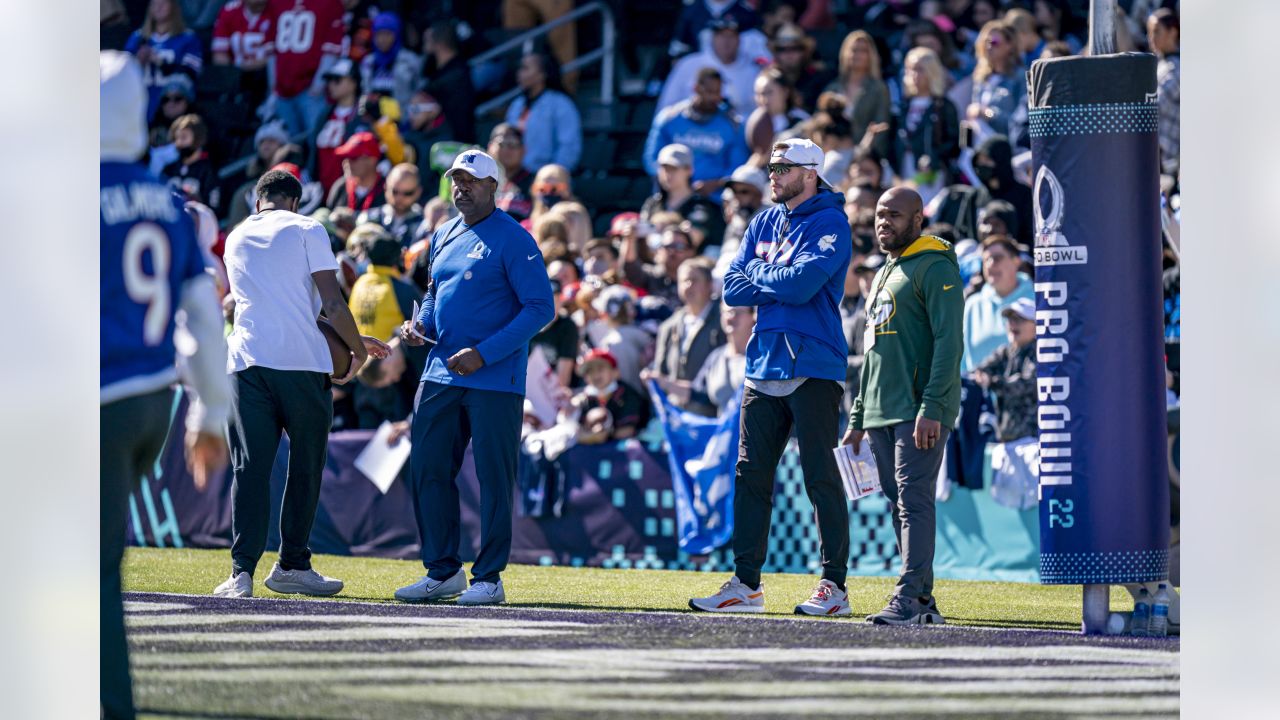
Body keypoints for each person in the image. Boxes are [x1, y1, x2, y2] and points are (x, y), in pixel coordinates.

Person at [101, 51, 232, 720]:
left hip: (94, 398)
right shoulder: (167, 201)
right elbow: (204, 312)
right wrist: (210, 410)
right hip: (154, 399)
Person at [691, 138, 853, 617]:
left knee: (820, 477)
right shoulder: (762, 220)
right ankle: (746, 584)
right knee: (750, 476)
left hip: (814, 364)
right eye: (772, 168)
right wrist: (775, 274)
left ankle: (834, 586)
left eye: (783, 168)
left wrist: (762, 273)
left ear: (811, 173)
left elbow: (803, 286)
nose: (774, 176)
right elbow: (731, 290)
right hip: (762, 365)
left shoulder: (832, 221)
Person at [214, 169, 389, 600]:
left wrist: (348, 336)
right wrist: (358, 351)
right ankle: (292, 564)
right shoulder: (309, 228)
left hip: (247, 362)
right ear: (296, 201)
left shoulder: (236, 236)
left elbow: (276, 306)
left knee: (249, 469)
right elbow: (329, 300)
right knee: (306, 467)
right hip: (301, 366)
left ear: (259, 202)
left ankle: (241, 573)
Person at [394, 150, 555, 606]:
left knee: (493, 479)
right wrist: (418, 326)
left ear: (492, 187)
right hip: (439, 373)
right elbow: (432, 296)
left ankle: (489, 577)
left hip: (494, 381)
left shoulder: (515, 238)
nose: (461, 187)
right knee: (426, 469)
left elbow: (541, 308)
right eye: (455, 180)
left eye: (470, 180)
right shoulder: (442, 233)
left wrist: (484, 355)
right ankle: (442, 571)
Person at [842, 186, 963, 625]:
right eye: (878, 214)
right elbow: (873, 352)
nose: (882, 222)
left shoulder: (935, 267)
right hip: (879, 410)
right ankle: (924, 603)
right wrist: (857, 417)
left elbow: (951, 343)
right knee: (899, 505)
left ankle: (909, 597)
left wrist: (932, 406)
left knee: (913, 502)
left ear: (918, 220)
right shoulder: (885, 272)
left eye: (894, 214)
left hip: (917, 409)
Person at [645, 68, 750, 192]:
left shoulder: (734, 125)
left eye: (718, 92)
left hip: (715, 200)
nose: (714, 97)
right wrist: (674, 181)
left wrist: (716, 184)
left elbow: (737, 166)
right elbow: (651, 159)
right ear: (696, 88)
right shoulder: (669, 118)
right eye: (709, 91)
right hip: (672, 195)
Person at [646, 258, 726, 417]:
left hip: (713, 415)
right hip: (677, 417)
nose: (688, 286)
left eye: (694, 280)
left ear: (710, 285)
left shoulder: (725, 319)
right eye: (684, 281)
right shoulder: (669, 326)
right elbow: (661, 372)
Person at [657, 17, 769, 122]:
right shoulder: (687, 64)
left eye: (731, 36)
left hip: (736, 135)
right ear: (712, 38)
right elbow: (665, 108)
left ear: (739, 40)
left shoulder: (754, 70)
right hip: (690, 133)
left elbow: (761, 113)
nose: (726, 41)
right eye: (721, 35)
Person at [263, 0, 345, 138]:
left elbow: (332, 48)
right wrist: (274, 83)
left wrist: (319, 83)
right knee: (286, 146)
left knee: (315, 140)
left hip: (311, 89)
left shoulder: (330, 4)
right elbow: (271, 46)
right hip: (283, 88)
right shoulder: (276, 3)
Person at [961, 235, 1032, 372]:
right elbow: (960, 360)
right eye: (986, 260)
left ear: (1016, 261)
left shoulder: (1038, 300)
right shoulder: (972, 305)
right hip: (978, 391)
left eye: (997, 258)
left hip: (1023, 390)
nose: (990, 264)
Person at [504, 51, 583, 174]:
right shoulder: (517, 104)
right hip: (514, 176)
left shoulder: (561, 104)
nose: (519, 73)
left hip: (546, 179)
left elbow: (569, 147)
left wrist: (554, 175)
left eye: (525, 68)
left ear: (542, 75)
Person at [972, 297, 1037, 443]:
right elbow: (979, 370)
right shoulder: (1005, 352)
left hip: (1032, 441)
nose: (1012, 324)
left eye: (1019, 319)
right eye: (1009, 319)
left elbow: (1026, 384)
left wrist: (991, 382)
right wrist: (981, 376)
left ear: (1036, 325)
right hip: (1006, 440)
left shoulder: (1041, 353)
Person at [639, 144, 726, 253]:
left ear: (689, 170)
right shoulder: (652, 203)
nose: (667, 174)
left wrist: (656, 233)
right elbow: (642, 241)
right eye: (664, 168)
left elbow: (689, 242)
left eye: (673, 168)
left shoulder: (702, 206)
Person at [126, 0, 204, 119]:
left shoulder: (188, 38)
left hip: (172, 105)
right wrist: (138, 61)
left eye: (163, 3)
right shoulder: (137, 38)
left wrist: (160, 62)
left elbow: (190, 73)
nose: (158, 7)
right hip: (141, 102)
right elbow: (123, 73)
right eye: (154, 4)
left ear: (173, 6)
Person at [825, 30, 891, 159]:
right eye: (854, 50)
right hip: (833, 156)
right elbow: (821, 122)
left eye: (863, 51)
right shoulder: (833, 88)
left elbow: (882, 126)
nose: (857, 55)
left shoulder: (878, 88)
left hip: (865, 157)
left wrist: (864, 156)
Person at [570, 348, 651, 444]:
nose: (595, 375)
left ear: (615, 372)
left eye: (600, 369)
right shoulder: (583, 399)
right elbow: (575, 429)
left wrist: (600, 435)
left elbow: (627, 432)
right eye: (590, 371)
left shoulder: (627, 395)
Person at [690, 302, 753, 415]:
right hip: (725, 432)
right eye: (728, 312)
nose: (732, 317)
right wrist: (661, 382)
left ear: (753, 316)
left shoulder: (762, 358)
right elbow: (696, 392)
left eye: (738, 312)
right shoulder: (716, 356)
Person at [421, 19, 476, 144]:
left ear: (439, 43)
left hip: (455, 145)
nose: (423, 44)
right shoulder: (437, 72)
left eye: (427, 40)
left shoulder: (457, 76)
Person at [360, 11, 423, 109]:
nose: (382, 39)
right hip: (373, 120)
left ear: (397, 34)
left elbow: (420, 92)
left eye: (387, 34)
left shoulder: (410, 60)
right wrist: (362, 113)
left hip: (403, 120)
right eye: (378, 34)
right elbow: (364, 93)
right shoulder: (368, 61)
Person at [161, 113, 220, 210]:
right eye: (176, 138)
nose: (178, 143)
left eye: (183, 138)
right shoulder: (168, 169)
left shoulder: (208, 171)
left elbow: (213, 207)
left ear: (198, 139)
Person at [1148, 7, 1179, 185]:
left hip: (1170, 161)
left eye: (1156, 31)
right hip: (1158, 158)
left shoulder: (1178, 68)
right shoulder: (1161, 64)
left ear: (1172, 32)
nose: (1151, 37)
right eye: (1149, 32)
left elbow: (1155, 107)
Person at [358, 163, 424, 248]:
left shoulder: (425, 225)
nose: (399, 198)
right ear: (385, 188)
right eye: (394, 191)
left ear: (418, 192)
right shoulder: (368, 219)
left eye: (407, 193)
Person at [325, 131, 386, 212]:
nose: (346, 163)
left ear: (372, 160)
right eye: (345, 157)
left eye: (354, 157)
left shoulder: (389, 191)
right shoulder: (340, 186)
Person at [488, 124, 534, 221]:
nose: (506, 150)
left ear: (523, 150)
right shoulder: (482, 183)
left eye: (512, 145)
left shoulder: (534, 183)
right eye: (501, 144)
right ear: (490, 147)